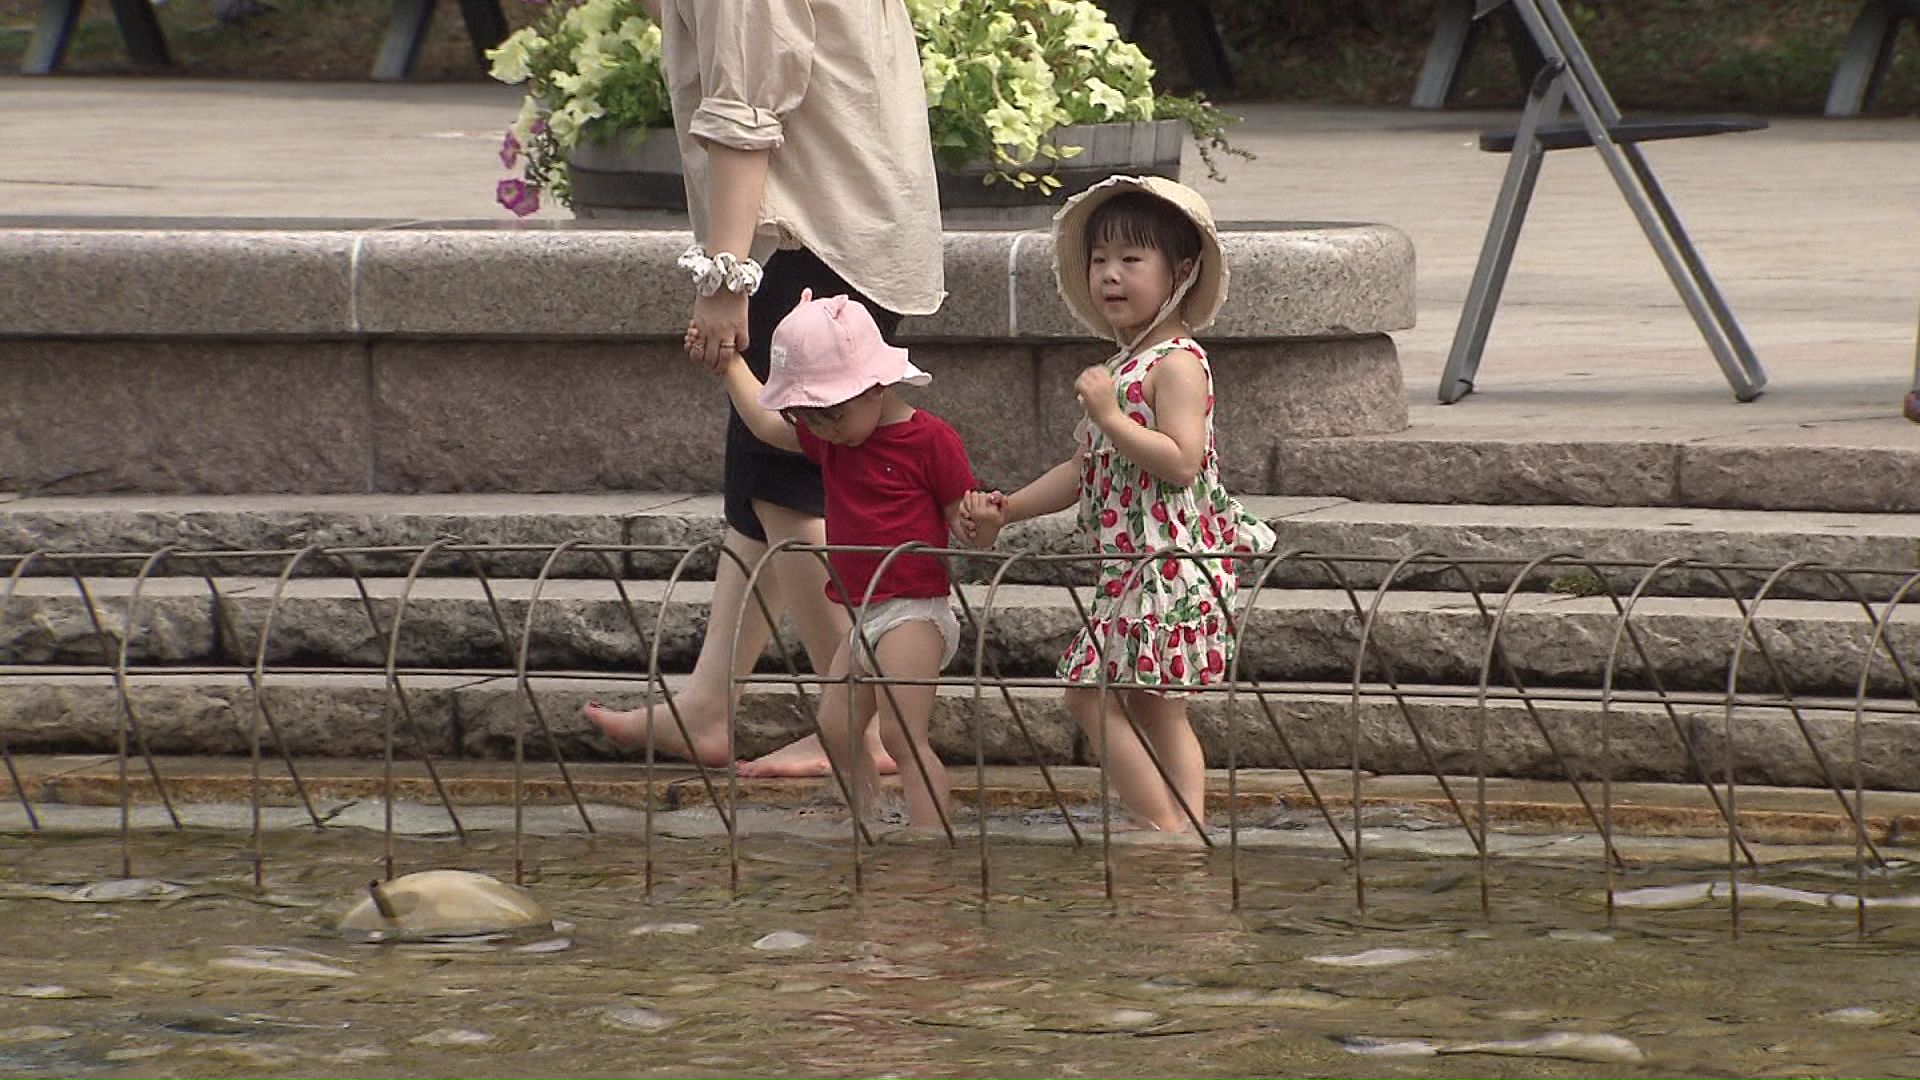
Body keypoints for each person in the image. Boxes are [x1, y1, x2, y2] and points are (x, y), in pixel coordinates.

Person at [585, 0, 945, 777]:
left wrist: (725, 278)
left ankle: (853, 721)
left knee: (787, 482)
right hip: (837, 225)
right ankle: (710, 703)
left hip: (802, 236)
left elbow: (746, 115)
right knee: (759, 483)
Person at [963, 176, 1275, 835]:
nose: (1110, 275)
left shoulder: (1177, 364)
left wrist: (1108, 414)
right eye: (1100, 260)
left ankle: (1161, 824)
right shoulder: (1125, 363)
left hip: (1168, 565)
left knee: (1092, 692)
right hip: (1132, 565)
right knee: (1154, 706)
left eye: (1131, 260)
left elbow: (1182, 459)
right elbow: (1081, 472)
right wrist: (1008, 509)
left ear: (1180, 271)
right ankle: (1181, 830)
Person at [696, 292, 976, 829]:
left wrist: (978, 518)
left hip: (914, 610)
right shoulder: (837, 440)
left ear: (876, 385)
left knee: (900, 733)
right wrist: (730, 363)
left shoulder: (929, 440)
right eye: (808, 418)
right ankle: (869, 819)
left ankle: (931, 835)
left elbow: (960, 517)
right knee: (839, 728)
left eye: (830, 415)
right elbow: (764, 425)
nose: (819, 430)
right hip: (864, 613)